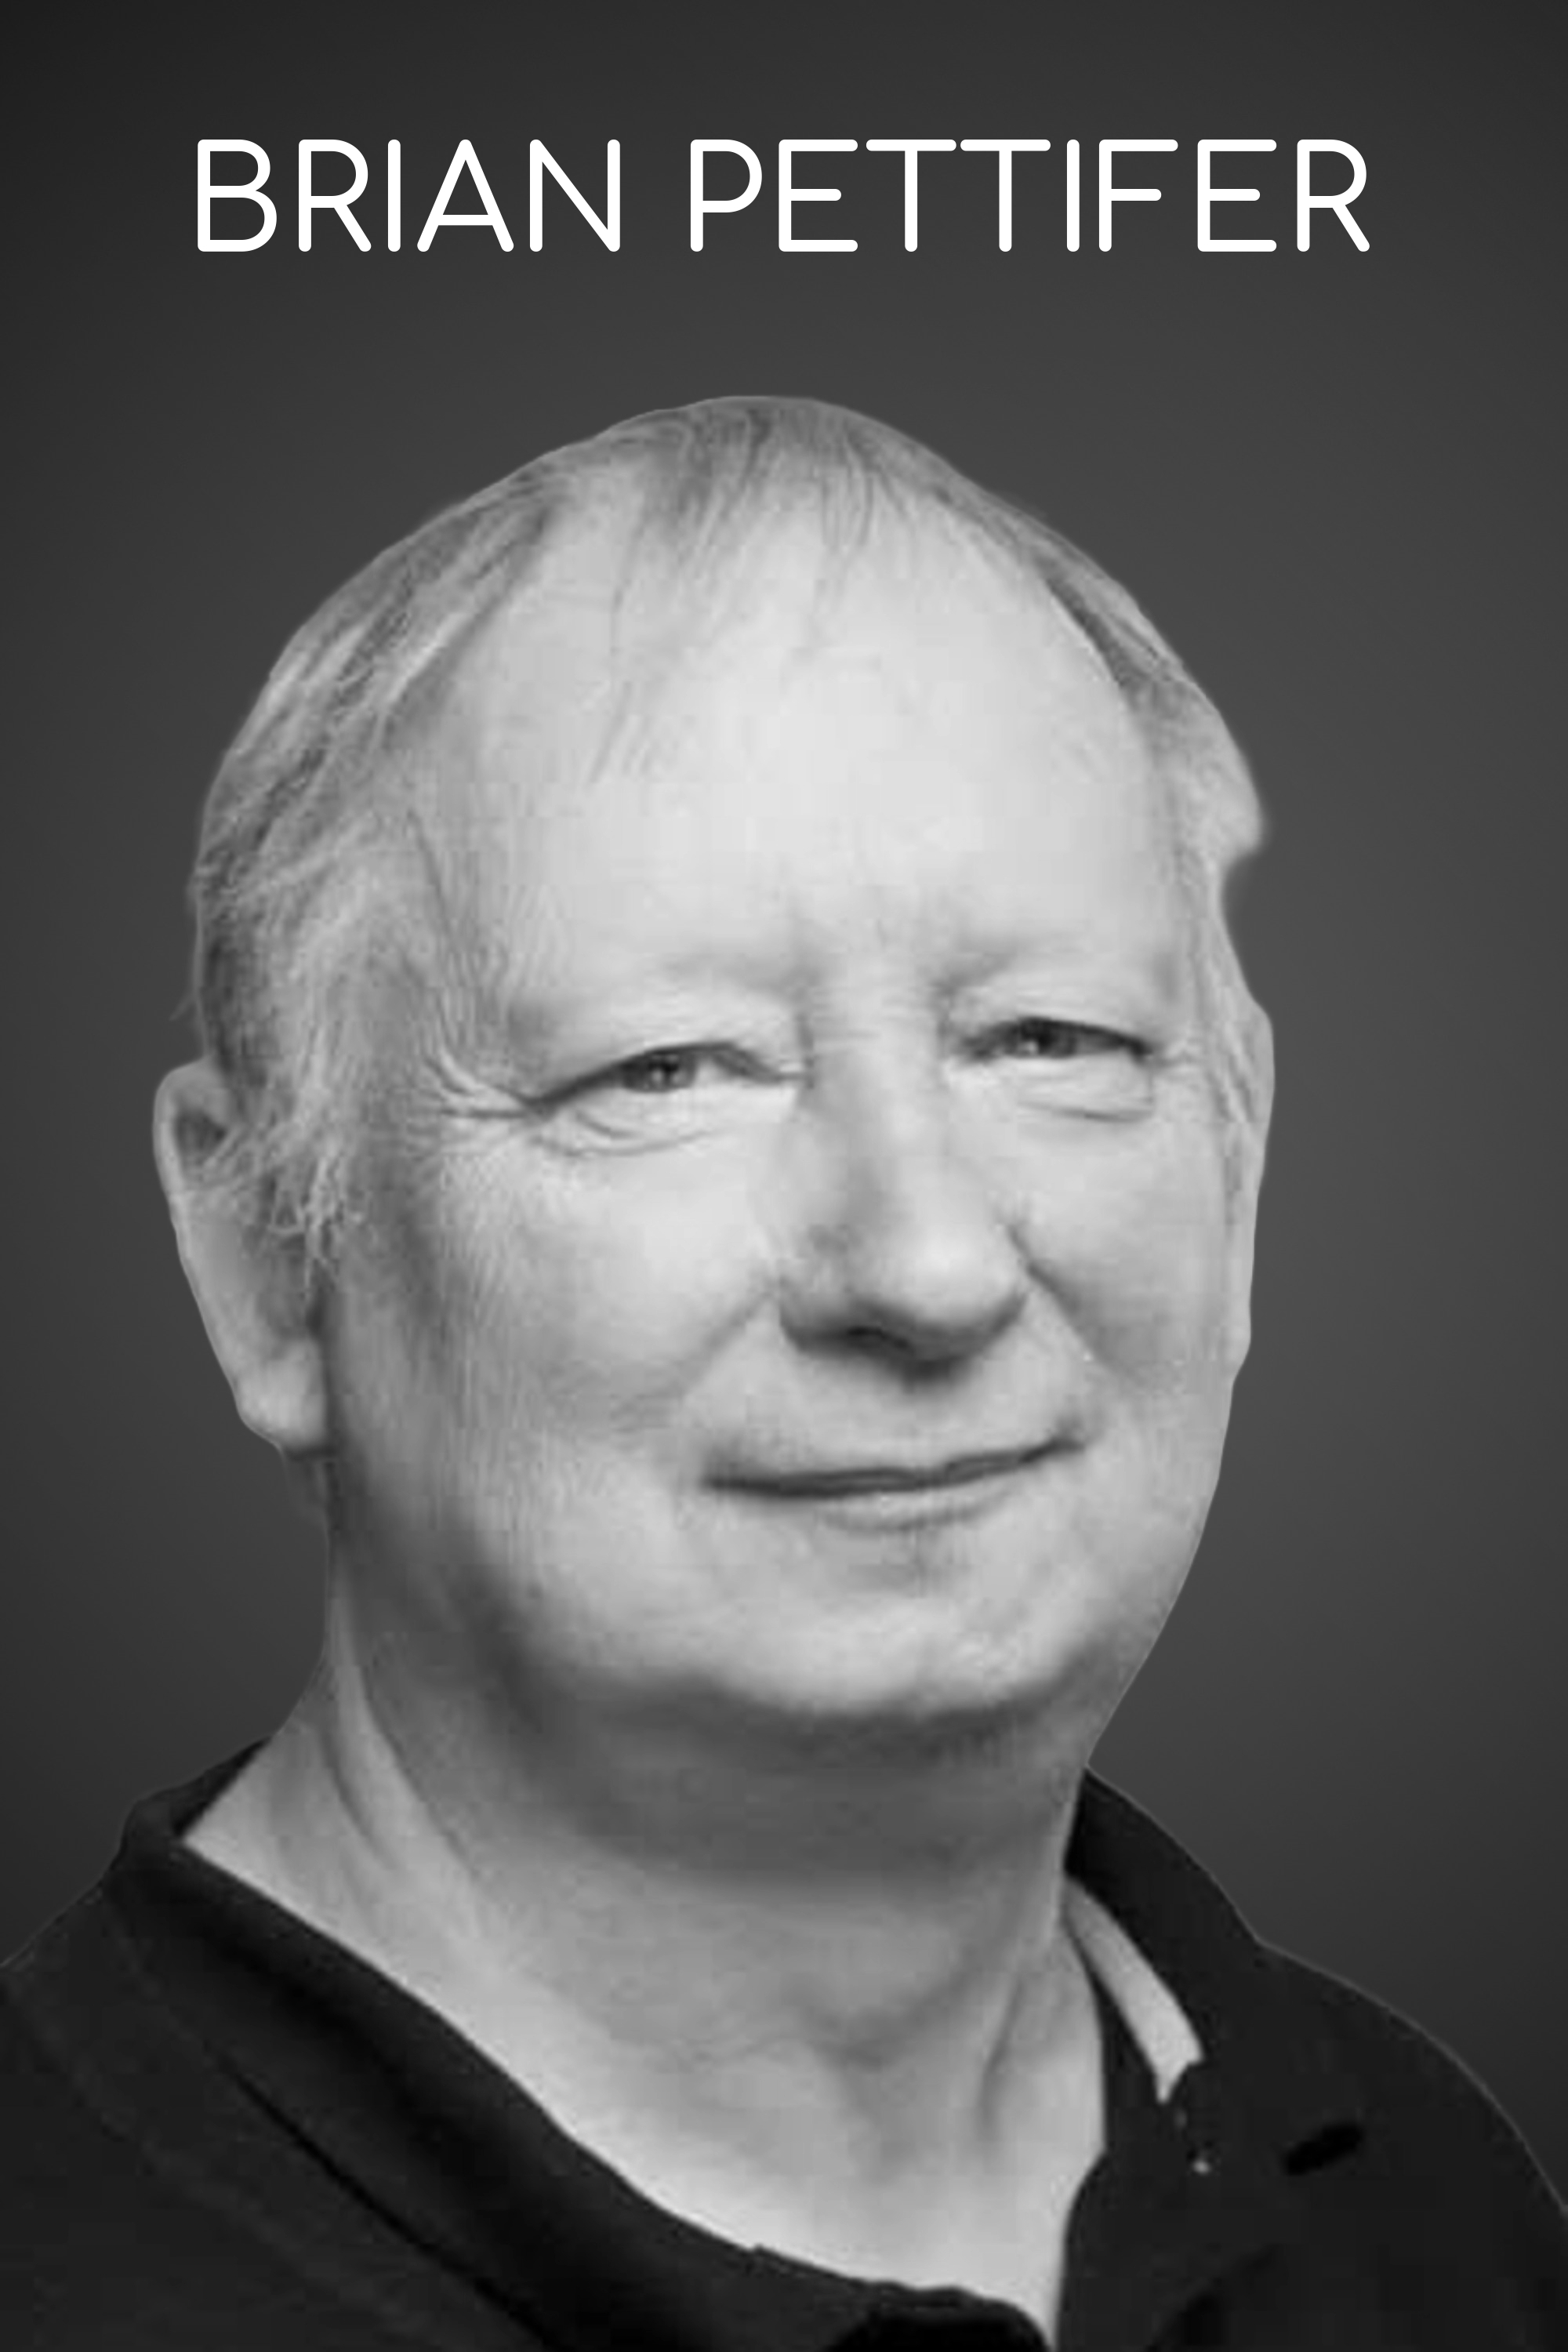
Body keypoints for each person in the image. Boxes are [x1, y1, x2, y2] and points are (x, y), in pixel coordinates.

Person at [2, 398, 1561, 2350]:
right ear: (266, 1261)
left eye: (1053, 1041)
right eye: (665, 1070)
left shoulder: (1439, 2213)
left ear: (1237, 1176)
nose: (926, 1262)